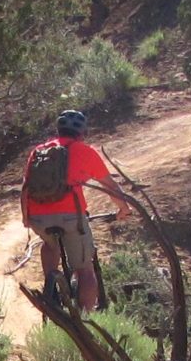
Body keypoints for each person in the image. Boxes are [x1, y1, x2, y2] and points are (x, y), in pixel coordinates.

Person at [19, 109, 125, 314]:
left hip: (38, 217)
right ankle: (86, 319)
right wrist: (123, 208)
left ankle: (52, 292)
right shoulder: (85, 151)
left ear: (58, 129)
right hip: (71, 218)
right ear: (82, 133)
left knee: (49, 244)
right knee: (85, 270)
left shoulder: (39, 151)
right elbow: (110, 186)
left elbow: (25, 187)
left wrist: (26, 218)